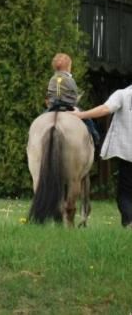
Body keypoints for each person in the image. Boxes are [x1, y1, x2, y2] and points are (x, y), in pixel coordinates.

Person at [72, 84, 132, 228]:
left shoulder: (123, 94)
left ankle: (130, 223)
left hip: (128, 154)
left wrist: (81, 115)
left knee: (125, 194)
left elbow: (105, 109)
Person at [46, 53, 100, 148]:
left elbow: (50, 94)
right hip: (68, 107)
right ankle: (95, 135)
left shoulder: (52, 79)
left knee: (42, 116)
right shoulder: (70, 80)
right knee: (87, 119)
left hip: (54, 107)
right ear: (68, 67)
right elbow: (74, 94)